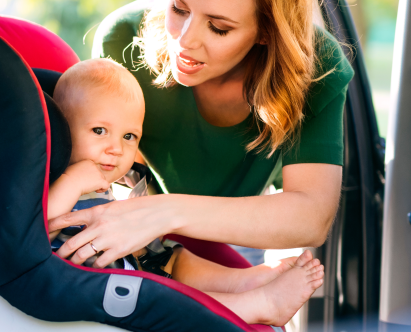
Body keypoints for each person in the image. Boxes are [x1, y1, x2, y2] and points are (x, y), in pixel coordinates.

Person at [49, 0, 353, 319]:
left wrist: (162, 213)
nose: (185, 40)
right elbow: (97, 160)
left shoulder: (314, 66)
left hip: (240, 227)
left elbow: (311, 216)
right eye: (178, 8)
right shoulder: (124, 38)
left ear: (265, 31)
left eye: (219, 28)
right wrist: (144, 217)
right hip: (138, 218)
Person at [48, 58, 325, 326]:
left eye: (129, 136)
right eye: (99, 130)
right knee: (163, 296)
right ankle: (260, 304)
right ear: (62, 129)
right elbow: (34, 230)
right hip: (103, 288)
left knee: (173, 256)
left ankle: (245, 281)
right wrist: (72, 181)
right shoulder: (52, 178)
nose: (116, 149)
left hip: (132, 266)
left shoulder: (113, 179)